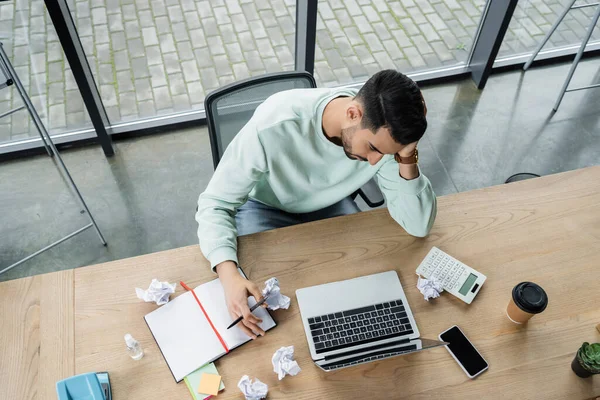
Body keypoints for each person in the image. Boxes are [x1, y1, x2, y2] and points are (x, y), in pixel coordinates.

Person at [196, 70, 436, 339]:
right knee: (265, 305)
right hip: (265, 206)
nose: (374, 162)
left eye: (385, 152)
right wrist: (228, 277)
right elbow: (214, 204)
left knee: (360, 291)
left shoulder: (382, 145)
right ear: (353, 114)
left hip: (331, 205)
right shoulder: (275, 123)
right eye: (372, 148)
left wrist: (407, 155)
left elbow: (418, 225)